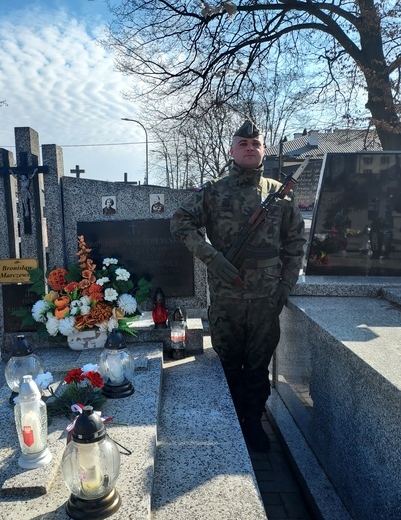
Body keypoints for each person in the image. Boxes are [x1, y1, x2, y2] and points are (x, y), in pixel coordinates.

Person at [170, 120, 305, 452]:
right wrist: (212, 258)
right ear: (232, 150)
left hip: (265, 299)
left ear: (263, 150)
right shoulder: (214, 191)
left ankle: (253, 425)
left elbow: (295, 242)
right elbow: (179, 222)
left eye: (255, 144)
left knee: (258, 369)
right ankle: (230, 428)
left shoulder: (280, 194)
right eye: (243, 143)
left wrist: (286, 285)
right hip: (227, 297)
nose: (249, 148)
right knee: (228, 365)